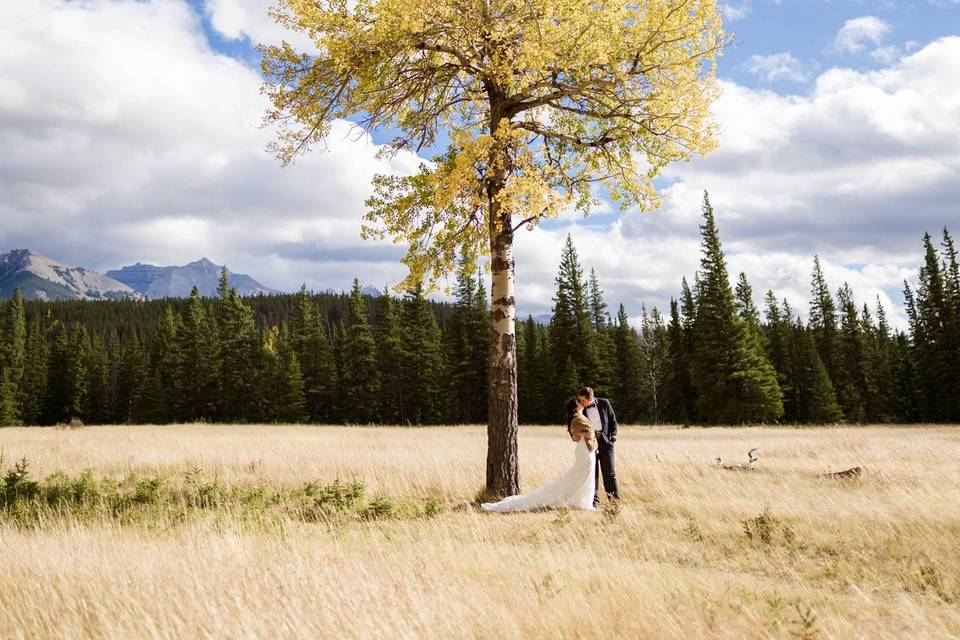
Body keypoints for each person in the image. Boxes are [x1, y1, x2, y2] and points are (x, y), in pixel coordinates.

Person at [481, 398, 597, 512]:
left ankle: (580, 500)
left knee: (580, 477)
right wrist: (592, 433)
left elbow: (578, 435)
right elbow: (588, 434)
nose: (583, 404)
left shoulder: (578, 418)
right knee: (578, 477)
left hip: (586, 450)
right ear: (577, 407)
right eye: (580, 403)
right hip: (585, 451)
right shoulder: (578, 419)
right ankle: (577, 501)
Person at [572, 386, 620, 508]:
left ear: (590, 398)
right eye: (580, 400)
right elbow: (573, 421)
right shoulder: (580, 408)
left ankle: (614, 502)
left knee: (609, 473)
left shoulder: (605, 403)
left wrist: (612, 439)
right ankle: (594, 502)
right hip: (589, 443)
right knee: (593, 473)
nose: (581, 403)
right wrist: (573, 435)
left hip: (605, 443)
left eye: (583, 400)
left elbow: (612, 420)